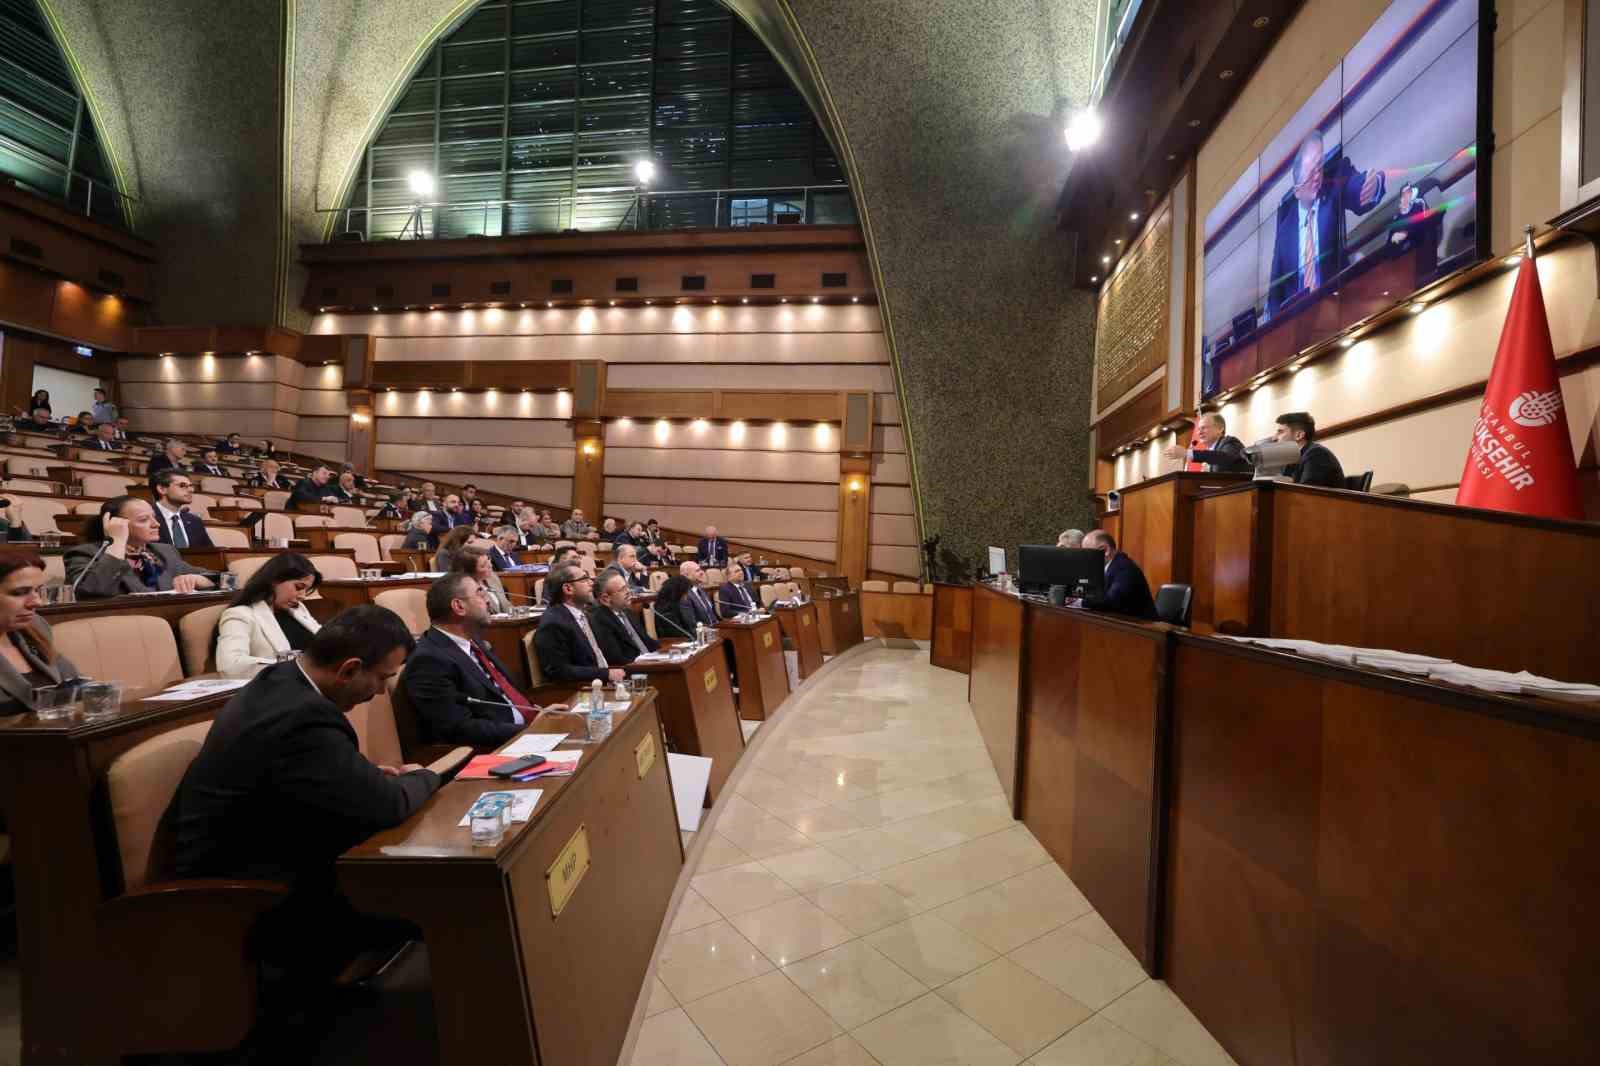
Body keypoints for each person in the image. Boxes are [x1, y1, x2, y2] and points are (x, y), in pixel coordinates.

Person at [169, 606, 440, 987]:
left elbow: (306, 777)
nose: (381, 691)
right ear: (348, 669)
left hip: (277, 855)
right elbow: (388, 805)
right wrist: (427, 775)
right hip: (252, 895)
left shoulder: (282, 682)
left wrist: (360, 777)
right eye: (381, 679)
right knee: (439, 896)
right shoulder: (300, 716)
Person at [401, 573, 563, 749]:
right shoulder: (429, 661)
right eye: (480, 592)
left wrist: (539, 712)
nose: (488, 600)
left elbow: (505, 695)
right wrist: (528, 730)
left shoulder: (474, 641)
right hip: (496, 749)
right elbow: (458, 728)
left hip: (528, 732)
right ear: (459, 606)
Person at [1267, 130, 1386, 317]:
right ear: (1297, 190)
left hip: (1336, 307)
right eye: (1310, 173)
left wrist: (1373, 184)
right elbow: (1275, 294)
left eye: (1319, 168)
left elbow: (1354, 186)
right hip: (1298, 323)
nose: (1317, 177)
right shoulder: (1284, 231)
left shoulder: (1332, 185)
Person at [64, 496, 216, 597]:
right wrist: (116, 541)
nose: (156, 524)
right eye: (143, 520)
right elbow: (94, 591)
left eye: (154, 518)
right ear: (115, 523)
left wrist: (199, 579)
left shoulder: (164, 551)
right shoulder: (84, 554)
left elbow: (222, 579)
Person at [216, 553, 322, 678]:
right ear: (274, 580)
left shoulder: (298, 609)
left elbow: (324, 640)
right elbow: (230, 665)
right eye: (299, 587)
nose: (302, 596)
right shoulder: (240, 615)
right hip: (281, 688)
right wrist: (295, 666)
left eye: (306, 590)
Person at [0, 554, 80, 714]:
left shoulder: (34, 628)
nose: (37, 602)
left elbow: (77, 685)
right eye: (19, 592)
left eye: (37, 590)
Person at [534, 564, 626, 684]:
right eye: (584, 579)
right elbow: (559, 671)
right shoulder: (554, 623)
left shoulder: (585, 614)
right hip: (584, 689)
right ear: (568, 589)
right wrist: (606, 674)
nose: (591, 583)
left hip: (607, 681)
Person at [1081, 530, 1157, 620]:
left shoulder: (1124, 568)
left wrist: (1080, 601)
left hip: (1143, 628)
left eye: (1087, 553)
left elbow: (1110, 601)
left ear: (1105, 550)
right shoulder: (1106, 567)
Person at [589, 571, 657, 666]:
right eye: (622, 589)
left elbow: (648, 642)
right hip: (634, 671)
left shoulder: (627, 612)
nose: (629, 591)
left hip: (651, 665)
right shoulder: (599, 620)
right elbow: (616, 659)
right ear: (605, 599)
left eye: (627, 587)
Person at [1274, 411, 1346, 488]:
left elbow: (1306, 493)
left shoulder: (1317, 454)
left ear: (1299, 435)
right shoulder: (1290, 458)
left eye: (1280, 432)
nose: (1274, 437)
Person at [1165, 412, 1250, 473]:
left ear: (1220, 429)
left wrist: (1187, 453)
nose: (1199, 432)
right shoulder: (1210, 451)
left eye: (1204, 428)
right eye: (1198, 429)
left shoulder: (1230, 442)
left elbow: (1223, 457)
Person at [151, 470, 215, 549]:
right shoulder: (146, 518)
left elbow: (210, 553)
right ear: (162, 489)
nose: (191, 490)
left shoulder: (195, 521)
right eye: (182, 485)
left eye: (190, 486)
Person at [451, 547, 509, 614]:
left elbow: (506, 605)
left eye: (488, 560)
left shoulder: (492, 578)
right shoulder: (465, 589)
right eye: (483, 565)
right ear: (469, 572)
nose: (490, 565)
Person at [651, 576, 699, 641]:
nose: (686, 596)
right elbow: (678, 635)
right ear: (678, 592)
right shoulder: (667, 611)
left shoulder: (673, 605)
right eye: (685, 593)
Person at [679, 561, 719, 628]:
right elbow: (691, 624)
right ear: (686, 575)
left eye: (701, 570)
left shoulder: (701, 590)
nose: (702, 573)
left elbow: (712, 614)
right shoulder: (684, 595)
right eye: (697, 571)